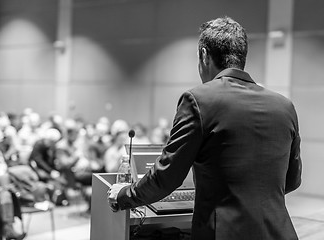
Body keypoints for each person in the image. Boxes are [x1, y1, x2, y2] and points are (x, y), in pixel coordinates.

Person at [108, 16, 302, 240]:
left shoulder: (198, 100)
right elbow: (293, 180)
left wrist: (123, 195)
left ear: (203, 54)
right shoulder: (285, 106)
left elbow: (167, 176)